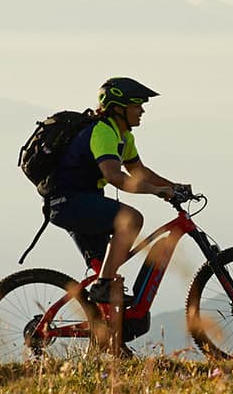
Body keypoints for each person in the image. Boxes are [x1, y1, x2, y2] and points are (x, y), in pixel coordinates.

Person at [44, 77, 190, 305]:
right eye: (136, 105)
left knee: (112, 281)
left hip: (85, 202)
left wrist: (173, 187)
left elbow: (139, 171)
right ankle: (102, 287)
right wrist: (157, 191)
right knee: (131, 220)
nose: (142, 110)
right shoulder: (102, 132)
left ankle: (106, 330)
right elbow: (114, 176)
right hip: (69, 202)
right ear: (118, 109)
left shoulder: (123, 136)